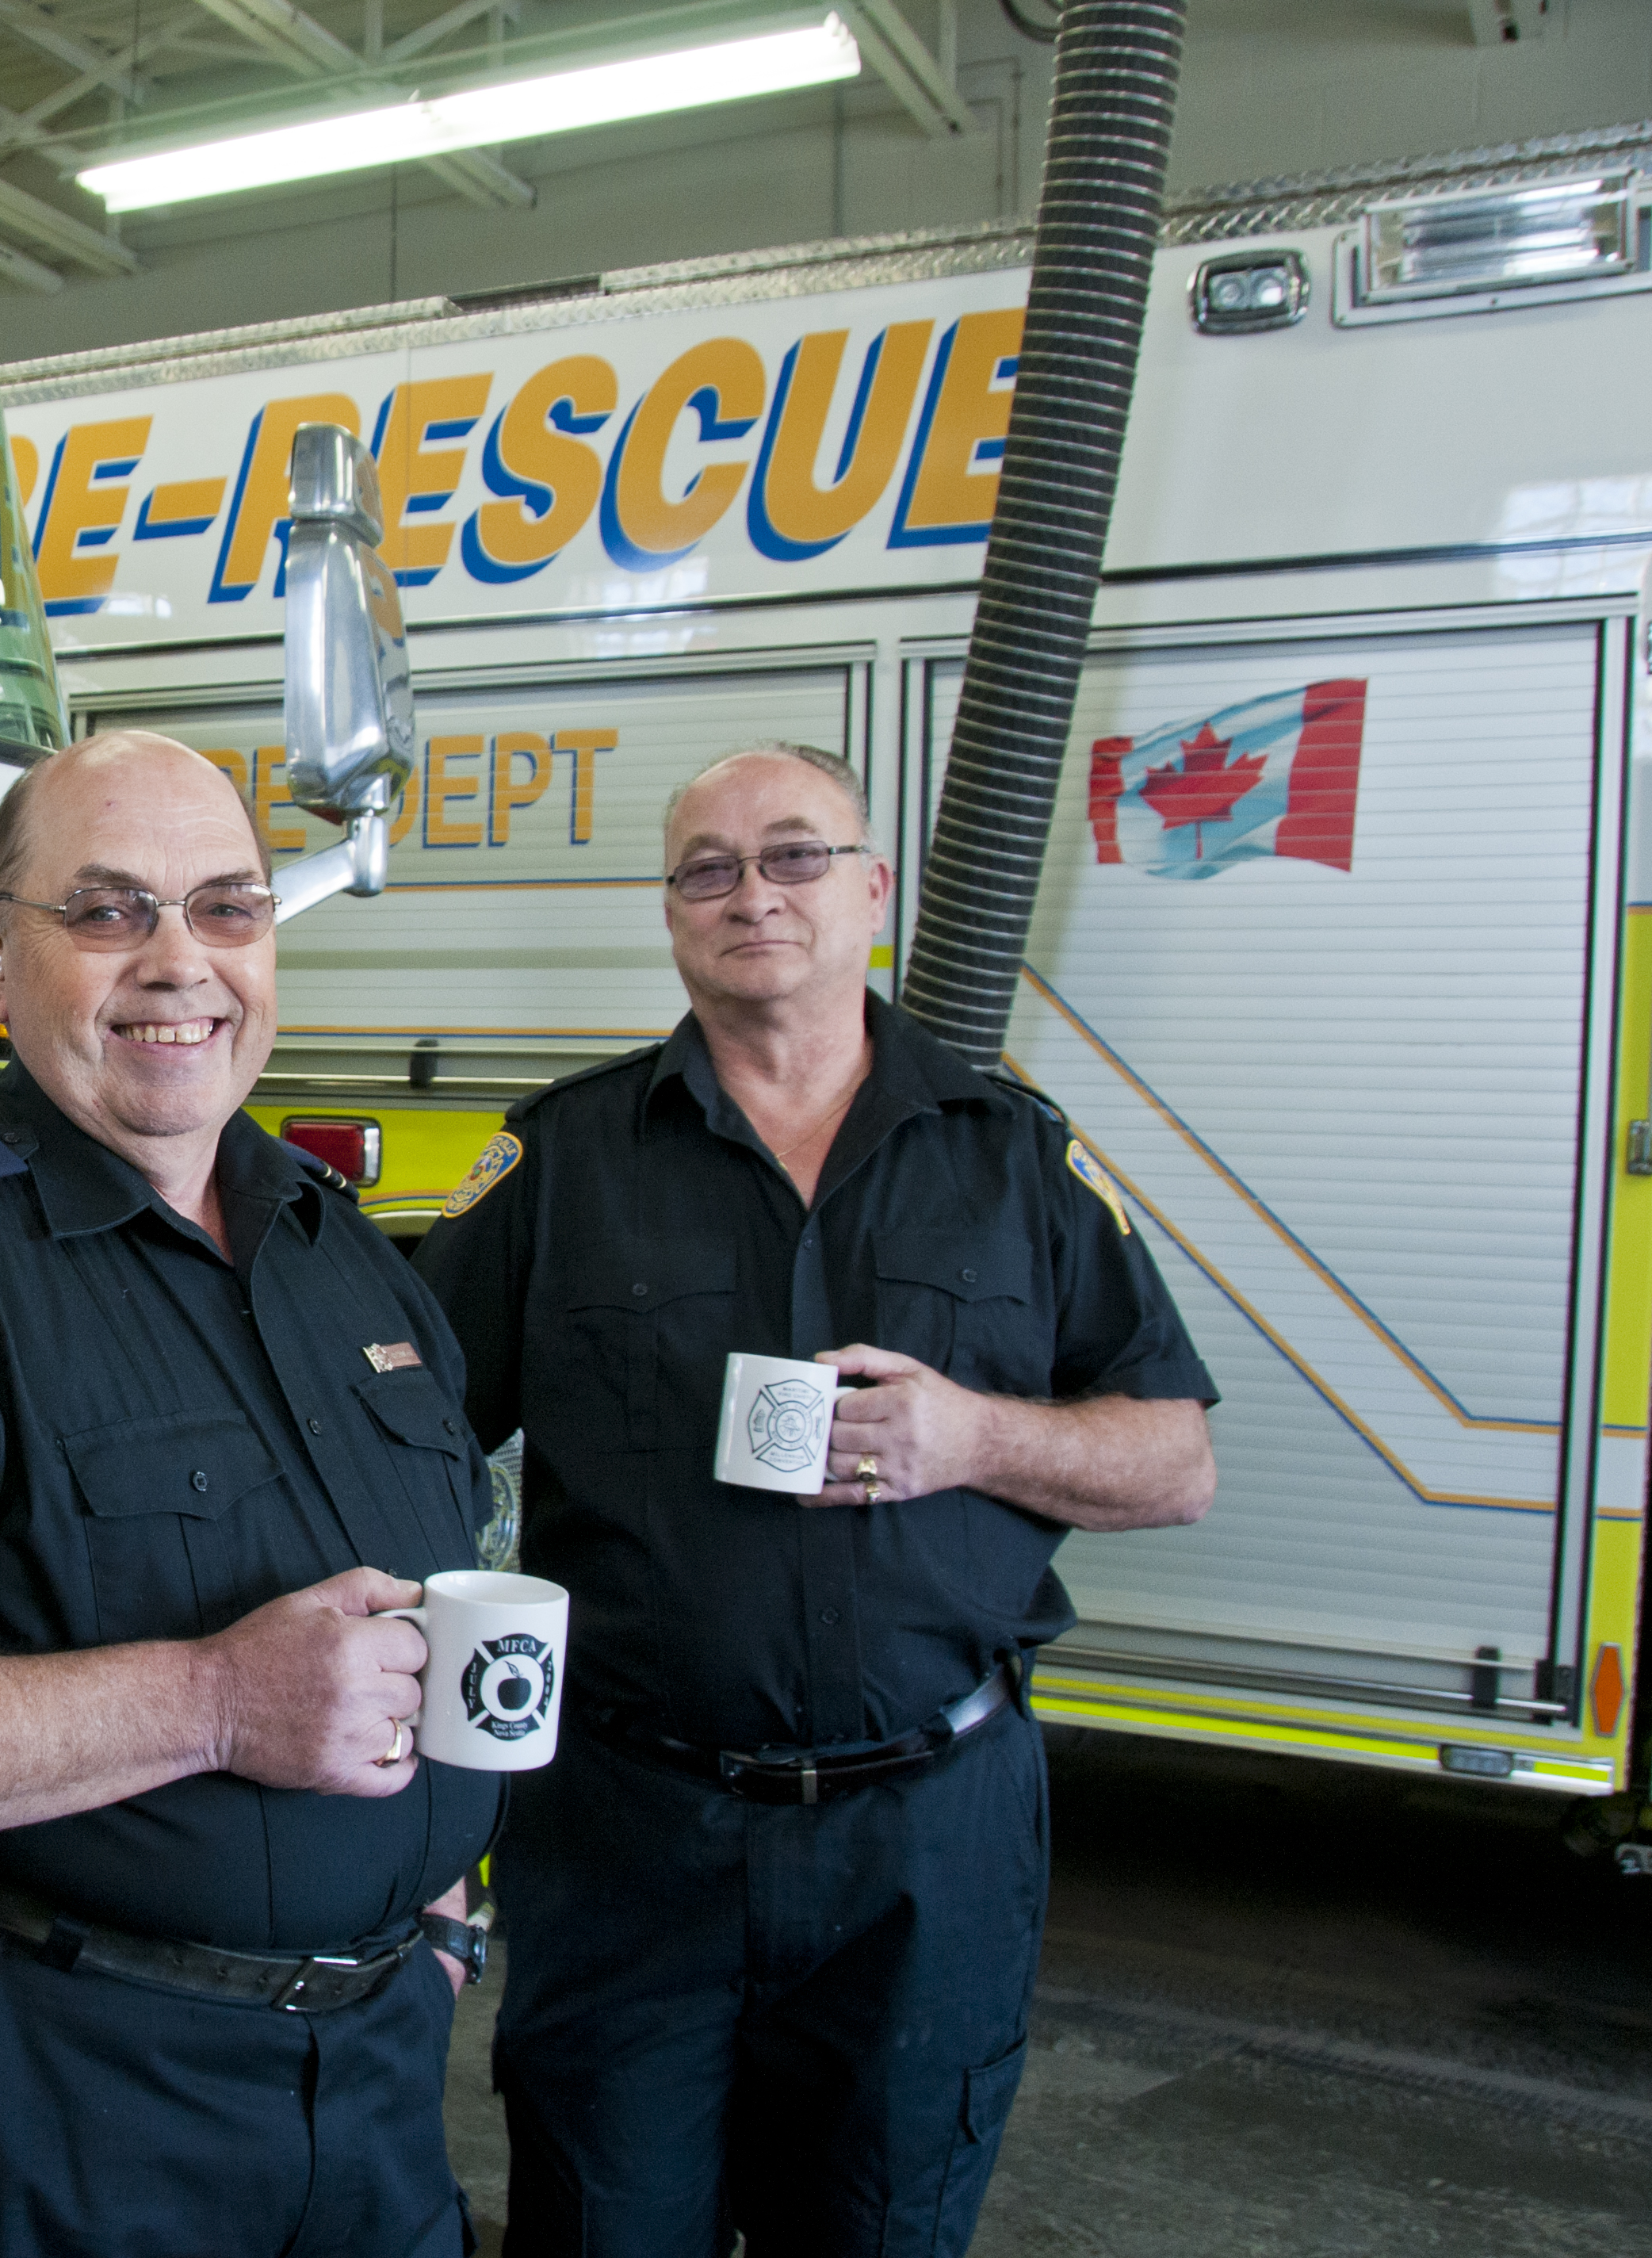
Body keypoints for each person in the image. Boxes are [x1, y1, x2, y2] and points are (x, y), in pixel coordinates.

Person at [414, 741, 1218, 2258]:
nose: (751, 895)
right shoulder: (563, 1159)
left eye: (792, 856)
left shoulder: (1011, 1160)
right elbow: (397, 1444)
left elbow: (1176, 1460)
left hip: (929, 1851)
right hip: (628, 1842)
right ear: (670, 912)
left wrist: (972, 1437)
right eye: (706, 867)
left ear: (873, 888)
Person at [0, 733, 502, 2258]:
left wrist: (432, 1908)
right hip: (64, 2111)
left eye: (228, 908)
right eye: (107, 914)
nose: (180, 964)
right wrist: (215, 1703)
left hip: (377, 2086)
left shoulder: (343, 1250)